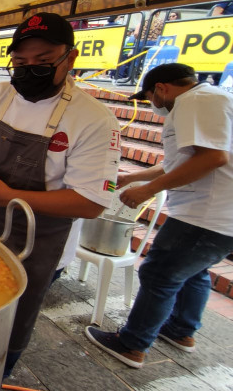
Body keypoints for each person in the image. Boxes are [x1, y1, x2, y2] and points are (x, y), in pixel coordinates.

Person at [0, 12, 121, 378]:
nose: (30, 70)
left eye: (43, 61)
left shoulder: (93, 118)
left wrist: (11, 196)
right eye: (21, 62)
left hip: (33, 246)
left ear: (69, 58)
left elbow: (92, 201)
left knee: (6, 327)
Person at [86, 63, 233, 369]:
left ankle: (132, 344)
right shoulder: (208, 100)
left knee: (159, 273)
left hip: (205, 215)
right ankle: (181, 331)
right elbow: (181, 161)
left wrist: (147, 190)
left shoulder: (196, 101)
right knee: (192, 271)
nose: (153, 106)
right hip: (215, 216)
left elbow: (212, 158)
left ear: (162, 88)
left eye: (151, 97)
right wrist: (132, 179)